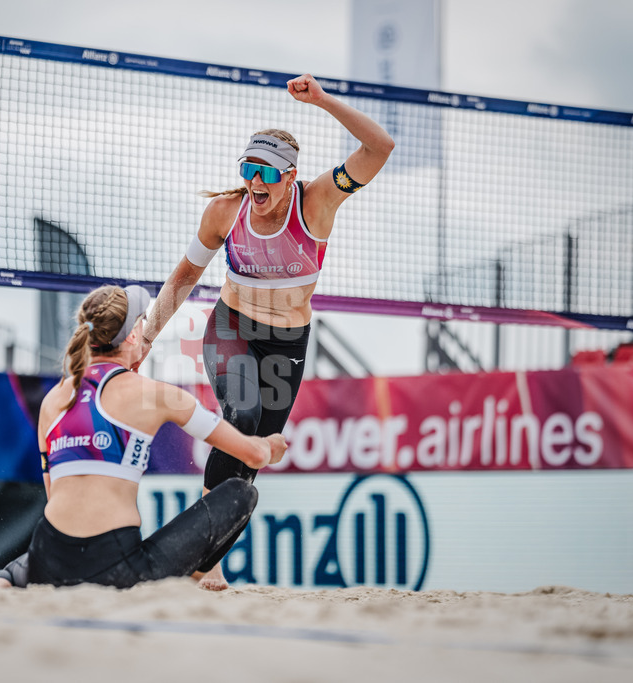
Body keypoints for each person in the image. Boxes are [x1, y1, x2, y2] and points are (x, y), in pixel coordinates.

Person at [138, 73, 395, 589]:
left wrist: (321, 100)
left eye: (266, 173)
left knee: (253, 454)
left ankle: (204, 561)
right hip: (232, 326)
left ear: (289, 176)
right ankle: (200, 562)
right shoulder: (224, 212)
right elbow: (185, 276)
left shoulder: (318, 201)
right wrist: (145, 337)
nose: (256, 181)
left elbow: (380, 146)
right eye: (248, 169)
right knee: (245, 415)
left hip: (287, 343)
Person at [0, 284, 286, 589]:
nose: (145, 329)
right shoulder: (154, 394)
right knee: (241, 493)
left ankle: (5, 580)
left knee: (12, 574)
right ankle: (202, 574)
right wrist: (269, 446)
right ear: (131, 336)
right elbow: (253, 455)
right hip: (116, 563)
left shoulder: (53, 399)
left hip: (48, 554)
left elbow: (53, 493)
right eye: (142, 321)